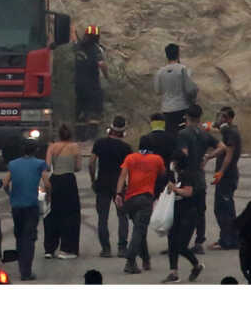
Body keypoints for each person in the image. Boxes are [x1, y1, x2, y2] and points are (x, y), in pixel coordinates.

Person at [119, 134, 167, 275]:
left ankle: (145, 259)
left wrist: (118, 194)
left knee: (140, 230)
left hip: (130, 199)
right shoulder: (157, 159)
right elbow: (163, 176)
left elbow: (122, 176)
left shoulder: (130, 158)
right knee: (139, 230)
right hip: (146, 199)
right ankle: (130, 260)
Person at [5, 138, 47, 281]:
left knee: (19, 235)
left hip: (16, 206)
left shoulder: (13, 164)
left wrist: (10, 195)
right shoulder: (40, 164)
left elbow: (5, 183)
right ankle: (26, 271)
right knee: (29, 238)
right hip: (31, 205)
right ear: (36, 150)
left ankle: (21, 267)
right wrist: (49, 197)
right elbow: (47, 183)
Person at [172, 114, 214, 252]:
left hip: (187, 176)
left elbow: (183, 153)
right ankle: (199, 242)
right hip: (199, 177)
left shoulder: (183, 135)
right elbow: (222, 146)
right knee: (200, 211)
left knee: (182, 210)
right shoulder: (203, 134)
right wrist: (207, 157)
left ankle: (179, 242)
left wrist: (178, 165)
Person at [91, 117, 131, 257]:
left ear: (111, 128)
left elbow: (91, 163)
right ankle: (122, 248)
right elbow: (130, 168)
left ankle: (106, 249)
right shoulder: (126, 148)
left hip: (102, 184)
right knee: (122, 217)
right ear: (123, 131)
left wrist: (93, 180)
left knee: (102, 217)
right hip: (119, 186)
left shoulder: (100, 143)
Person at [45, 123, 85, 258]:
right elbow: (78, 167)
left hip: (55, 179)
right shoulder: (75, 147)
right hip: (68, 180)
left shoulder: (52, 147)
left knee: (53, 213)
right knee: (71, 214)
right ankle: (67, 248)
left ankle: (49, 248)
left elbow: (47, 166)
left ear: (59, 135)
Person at [164, 150, 206, 280]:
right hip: (177, 212)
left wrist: (174, 189)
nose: (172, 164)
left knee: (181, 245)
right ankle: (173, 272)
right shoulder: (177, 175)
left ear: (178, 162)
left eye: (174, 161)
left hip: (189, 214)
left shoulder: (188, 175)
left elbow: (188, 192)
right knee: (172, 242)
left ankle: (196, 265)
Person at [211, 105, 244, 247]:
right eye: (219, 115)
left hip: (228, 176)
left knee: (225, 209)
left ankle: (229, 240)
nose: (219, 118)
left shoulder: (231, 133)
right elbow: (222, 149)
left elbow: (229, 155)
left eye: (223, 116)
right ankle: (226, 238)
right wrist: (208, 156)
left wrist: (221, 172)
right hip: (226, 176)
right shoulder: (227, 132)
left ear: (229, 119)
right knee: (221, 208)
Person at [154, 42, 196, 130]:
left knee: (171, 134)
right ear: (178, 54)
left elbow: (157, 90)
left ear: (166, 55)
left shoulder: (160, 72)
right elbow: (190, 89)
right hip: (182, 107)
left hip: (166, 109)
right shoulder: (182, 69)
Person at [74, 25, 107, 120]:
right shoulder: (97, 49)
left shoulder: (77, 47)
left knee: (79, 111)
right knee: (94, 113)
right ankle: (93, 130)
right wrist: (106, 76)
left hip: (77, 86)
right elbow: (101, 64)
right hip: (92, 87)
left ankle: (80, 129)